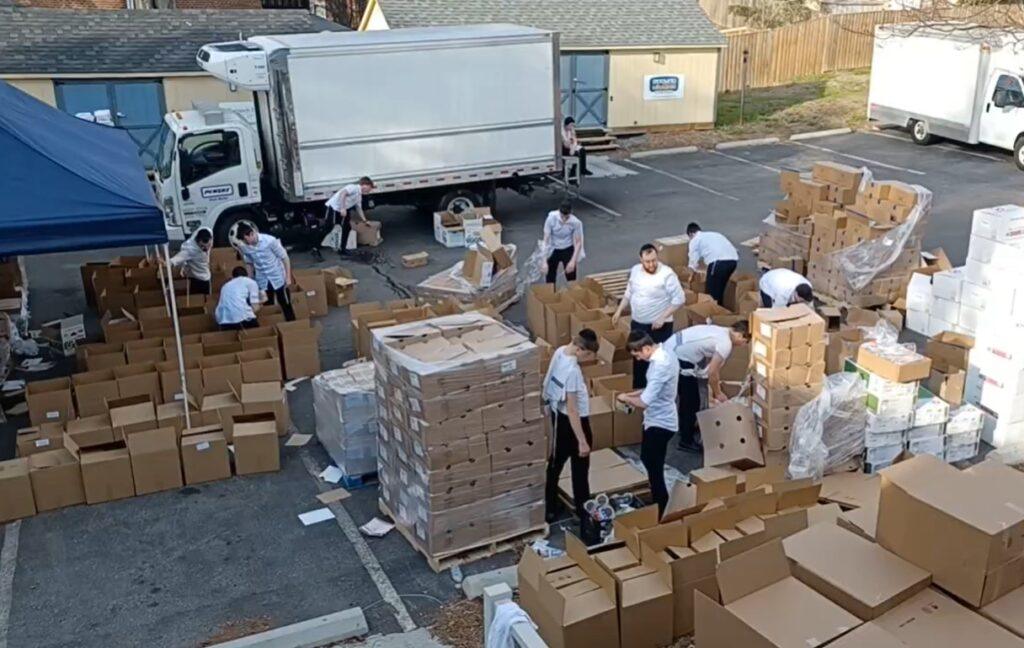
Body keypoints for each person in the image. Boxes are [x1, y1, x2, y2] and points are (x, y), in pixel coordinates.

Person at [617, 331, 679, 517]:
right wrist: (632, 394)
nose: (637, 359)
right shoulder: (664, 354)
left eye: (637, 355)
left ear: (646, 348)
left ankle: (662, 506)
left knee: (653, 465)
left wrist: (626, 398)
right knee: (650, 461)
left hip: (661, 422)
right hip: (656, 419)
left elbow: (644, 402)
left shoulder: (660, 365)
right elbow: (650, 389)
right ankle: (659, 500)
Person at [543, 329, 600, 528]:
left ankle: (549, 507)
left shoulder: (560, 352)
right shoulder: (573, 371)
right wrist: (582, 441)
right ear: (580, 349)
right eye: (588, 356)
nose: (589, 360)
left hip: (557, 418)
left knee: (554, 464)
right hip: (574, 423)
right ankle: (584, 514)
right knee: (580, 470)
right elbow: (573, 408)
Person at [664, 322, 750, 453]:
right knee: (691, 401)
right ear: (740, 335)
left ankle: (686, 428)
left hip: (673, 348)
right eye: (745, 342)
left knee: (688, 397)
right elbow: (712, 373)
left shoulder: (720, 329)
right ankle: (685, 441)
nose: (743, 345)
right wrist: (718, 393)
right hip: (678, 357)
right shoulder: (725, 343)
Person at [612, 244, 685, 389]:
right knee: (639, 360)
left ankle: (659, 390)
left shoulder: (667, 274)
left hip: (659, 327)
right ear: (641, 259)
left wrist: (663, 317)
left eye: (654, 260)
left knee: (658, 361)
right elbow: (629, 293)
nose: (651, 264)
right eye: (647, 261)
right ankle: (639, 389)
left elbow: (680, 298)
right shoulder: (635, 271)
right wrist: (619, 310)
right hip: (638, 324)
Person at [236, 222, 295, 321]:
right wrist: (250, 280)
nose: (246, 243)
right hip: (262, 279)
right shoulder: (244, 247)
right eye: (244, 241)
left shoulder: (270, 241)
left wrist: (288, 277)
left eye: (246, 241)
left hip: (277, 276)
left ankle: (292, 324)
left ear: (251, 234)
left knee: (285, 303)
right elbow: (249, 263)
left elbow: (285, 258)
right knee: (267, 305)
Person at [687, 223, 738, 307]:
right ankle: (720, 310)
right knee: (720, 289)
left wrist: (690, 277)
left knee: (710, 292)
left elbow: (693, 261)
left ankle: (711, 314)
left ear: (691, 234)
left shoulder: (695, 239)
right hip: (733, 261)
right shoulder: (713, 234)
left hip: (718, 263)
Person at [325, 176, 375, 256]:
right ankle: (315, 245)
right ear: (365, 185)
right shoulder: (354, 187)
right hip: (335, 208)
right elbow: (342, 193)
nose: (369, 190)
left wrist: (365, 220)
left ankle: (342, 249)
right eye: (370, 187)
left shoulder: (359, 195)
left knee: (347, 227)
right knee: (329, 227)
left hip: (344, 209)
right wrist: (342, 208)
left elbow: (359, 208)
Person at [541, 200, 584, 284]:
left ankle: (572, 294)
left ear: (570, 213)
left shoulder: (575, 222)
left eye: (567, 217)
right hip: (553, 249)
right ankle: (551, 294)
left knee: (571, 276)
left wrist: (573, 261)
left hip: (567, 248)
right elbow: (545, 239)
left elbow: (578, 242)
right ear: (559, 211)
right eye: (562, 216)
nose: (564, 219)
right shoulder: (551, 219)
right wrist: (544, 261)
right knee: (550, 276)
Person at [169, 227, 213, 295]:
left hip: (205, 272)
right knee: (199, 299)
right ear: (197, 241)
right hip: (199, 278)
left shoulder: (208, 231)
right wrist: (165, 263)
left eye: (208, 245)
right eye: (202, 246)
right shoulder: (189, 250)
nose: (206, 249)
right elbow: (174, 260)